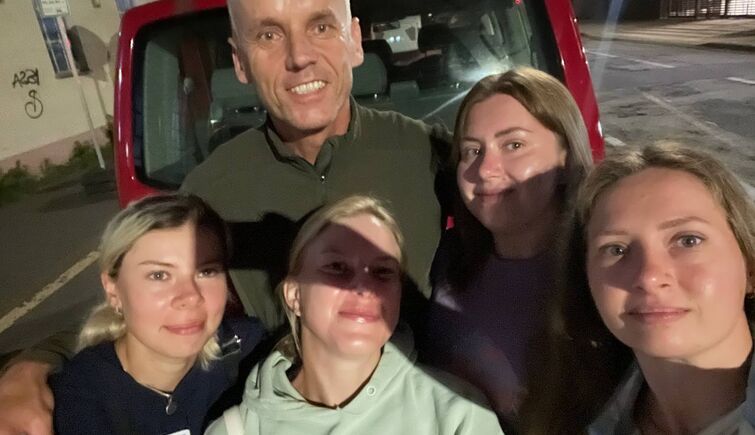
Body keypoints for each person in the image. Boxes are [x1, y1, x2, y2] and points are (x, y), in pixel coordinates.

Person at [0, 0, 450, 432]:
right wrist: (34, 363)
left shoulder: (437, 156)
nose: (299, 56)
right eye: (268, 35)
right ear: (240, 62)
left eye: (321, 27)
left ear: (354, 40)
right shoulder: (211, 189)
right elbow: (143, 306)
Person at [206, 195, 504, 434]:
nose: (364, 288)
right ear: (294, 295)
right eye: (337, 267)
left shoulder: (456, 414)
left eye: (382, 272)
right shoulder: (237, 429)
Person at [523, 143, 755, 434]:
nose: (649, 276)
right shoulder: (567, 414)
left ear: (749, 267)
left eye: (688, 240)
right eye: (617, 249)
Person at [420, 67, 593, 425]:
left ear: (566, 157)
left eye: (513, 145)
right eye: (472, 150)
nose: (485, 170)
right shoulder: (448, 257)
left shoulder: (600, 275)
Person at [49, 193, 265, 434]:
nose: (190, 296)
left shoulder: (253, 352)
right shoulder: (75, 404)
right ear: (112, 289)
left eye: (206, 271)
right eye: (159, 275)